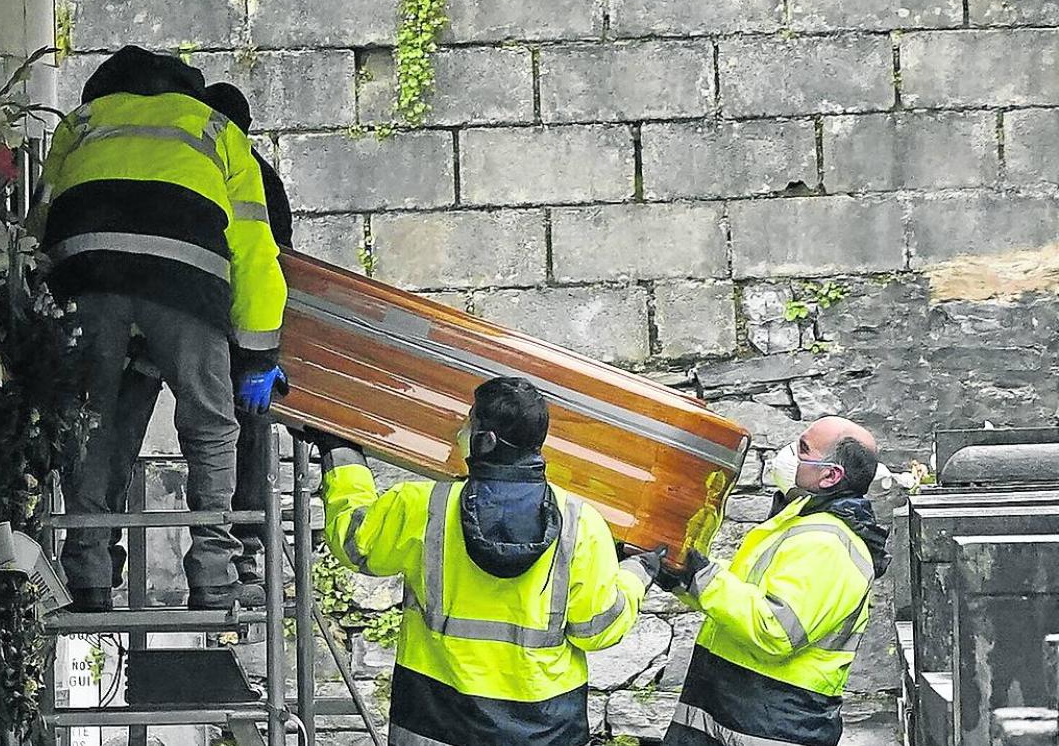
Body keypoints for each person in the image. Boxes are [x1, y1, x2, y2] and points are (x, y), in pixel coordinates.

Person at [34, 46, 288, 612]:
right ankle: (214, 573)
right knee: (210, 426)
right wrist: (258, 355)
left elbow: (39, 221)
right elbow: (254, 252)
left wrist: (40, 323)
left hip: (89, 277)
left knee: (91, 423)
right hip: (184, 284)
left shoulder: (81, 123)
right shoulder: (216, 129)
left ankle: (89, 573)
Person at [308, 377, 661, 746]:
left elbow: (353, 538)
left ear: (484, 440)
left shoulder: (423, 507)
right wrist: (638, 573)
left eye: (468, 422)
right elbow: (597, 628)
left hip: (434, 722)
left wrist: (341, 450)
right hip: (545, 731)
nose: (460, 430)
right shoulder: (581, 522)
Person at [101, 80, 295, 595]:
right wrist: (259, 357)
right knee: (224, 433)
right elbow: (265, 263)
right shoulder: (246, 166)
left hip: (120, 302)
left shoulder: (132, 143)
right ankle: (229, 564)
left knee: (107, 433)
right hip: (204, 313)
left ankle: (94, 562)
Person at [655, 416, 891, 746]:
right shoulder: (800, 524)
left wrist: (700, 575)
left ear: (830, 476)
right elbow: (739, 598)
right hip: (734, 713)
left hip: (769, 726)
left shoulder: (831, 545)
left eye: (803, 448)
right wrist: (681, 575)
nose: (790, 453)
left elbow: (775, 629)